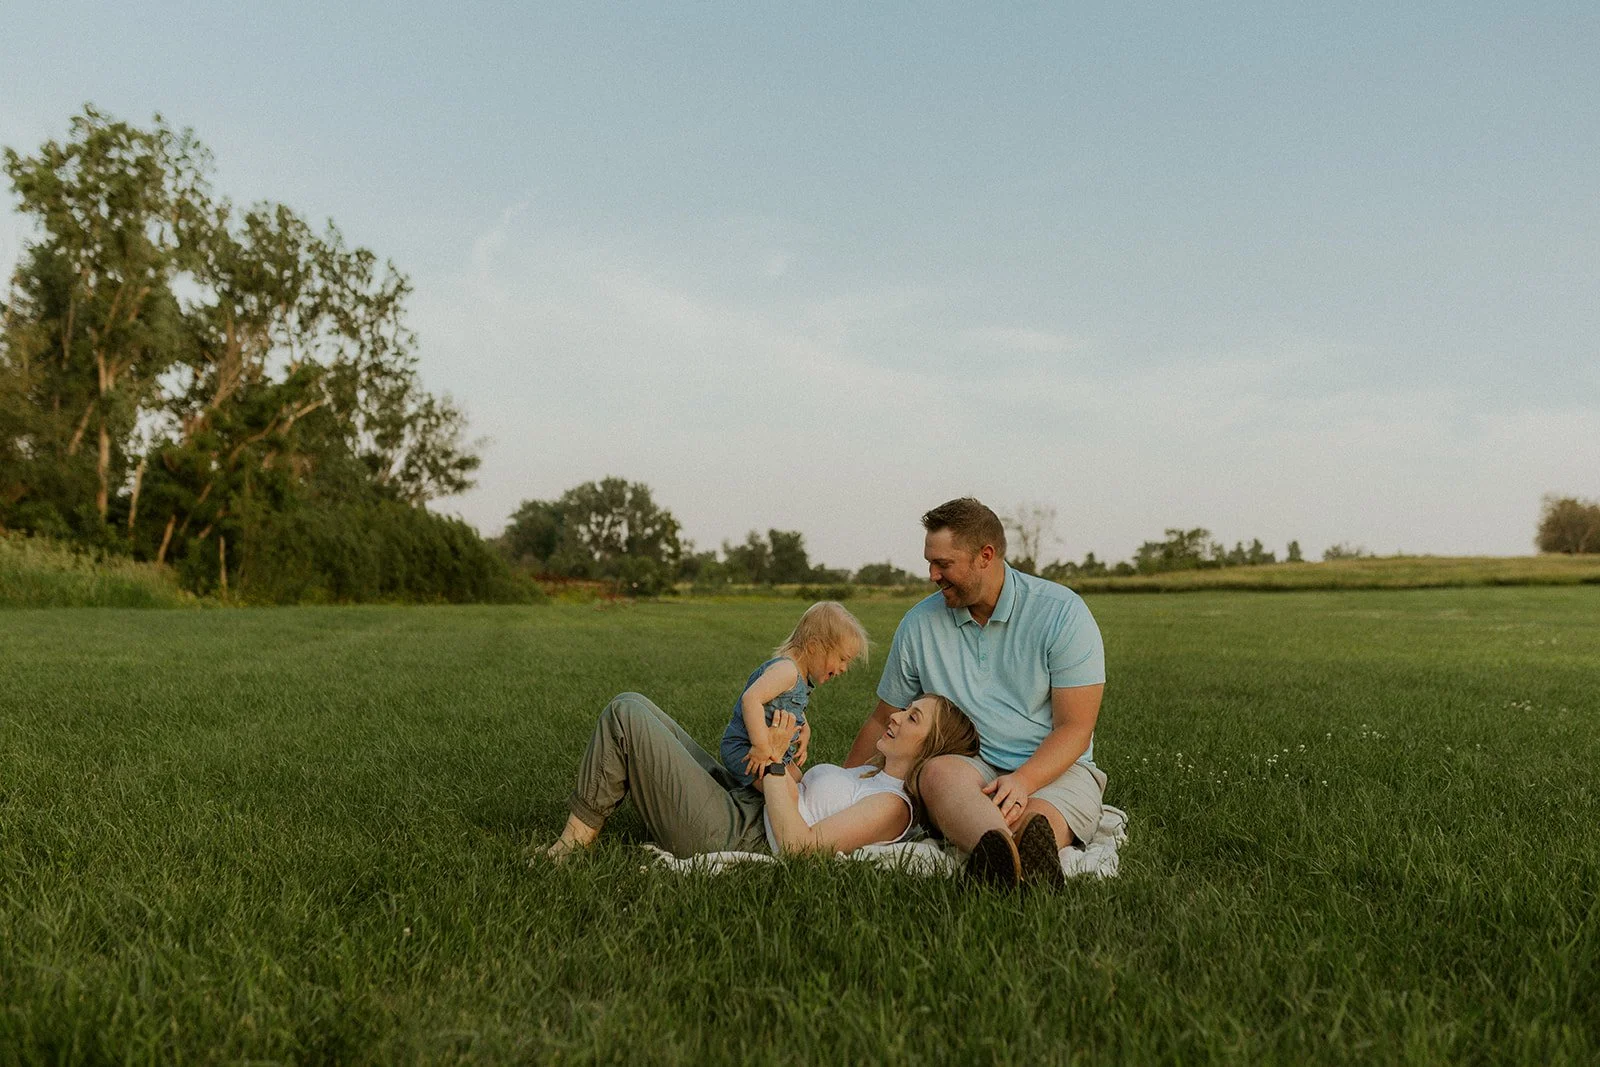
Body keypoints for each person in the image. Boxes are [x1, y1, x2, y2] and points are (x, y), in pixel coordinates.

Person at [844, 497, 1107, 890]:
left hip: (1054, 768)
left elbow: (1076, 728)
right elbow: (885, 717)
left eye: (943, 564)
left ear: (985, 556)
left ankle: (1015, 852)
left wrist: (1022, 780)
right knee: (935, 771)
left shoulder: (1061, 613)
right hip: (967, 768)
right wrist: (844, 788)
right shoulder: (919, 624)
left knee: (1034, 819)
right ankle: (1000, 853)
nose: (932, 574)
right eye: (930, 563)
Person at [542, 692, 979, 860]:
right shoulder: (869, 773)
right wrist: (784, 750)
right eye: (906, 708)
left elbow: (798, 849)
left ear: (930, 746)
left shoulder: (892, 805)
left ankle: (570, 847)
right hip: (745, 804)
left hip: (737, 833)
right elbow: (798, 796)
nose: (898, 716)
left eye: (913, 717)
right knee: (640, 705)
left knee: (626, 714)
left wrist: (772, 765)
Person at [719, 601, 868, 788]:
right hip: (746, 750)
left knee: (799, 781)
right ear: (814, 646)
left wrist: (805, 728)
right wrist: (760, 746)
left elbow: (787, 704)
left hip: (775, 751)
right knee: (788, 794)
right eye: (842, 659)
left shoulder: (799, 676)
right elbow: (751, 699)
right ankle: (744, 804)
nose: (844, 668)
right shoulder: (786, 670)